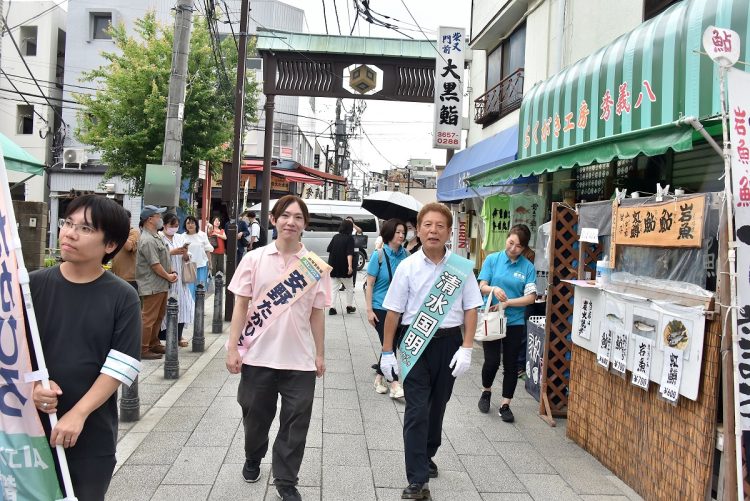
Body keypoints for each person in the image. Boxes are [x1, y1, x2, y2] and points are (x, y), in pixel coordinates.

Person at [31, 194, 142, 500]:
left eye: (86, 228)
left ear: (110, 245)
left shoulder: (122, 296)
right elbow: (13, 351)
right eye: (68, 223)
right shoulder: (31, 287)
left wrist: (78, 414)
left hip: (91, 434)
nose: (69, 232)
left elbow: (121, 365)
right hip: (27, 430)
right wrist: (33, 385)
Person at [225, 195, 331, 501]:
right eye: (285, 216)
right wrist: (233, 348)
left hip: (299, 361)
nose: (291, 222)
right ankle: (253, 454)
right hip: (258, 357)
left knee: (296, 423)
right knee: (255, 416)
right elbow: (241, 305)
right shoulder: (254, 259)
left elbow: (317, 313)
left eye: (298, 217)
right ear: (274, 220)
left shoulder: (314, 268)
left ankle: (286, 479)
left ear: (304, 225)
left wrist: (320, 354)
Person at [379, 203, 482, 500]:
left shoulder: (460, 268)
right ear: (418, 229)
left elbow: (472, 307)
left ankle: (426, 453)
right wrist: (387, 352)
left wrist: (467, 347)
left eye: (440, 226)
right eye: (427, 225)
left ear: (449, 232)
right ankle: (417, 479)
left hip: (449, 343)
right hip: (414, 342)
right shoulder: (406, 267)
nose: (433, 230)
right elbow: (394, 313)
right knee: (416, 409)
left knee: (437, 407)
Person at [476, 224, 537, 422]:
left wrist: (508, 302)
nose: (513, 248)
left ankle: (505, 404)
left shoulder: (528, 267)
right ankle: (486, 392)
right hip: (493, 318)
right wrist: (493, 289)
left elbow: (530, 298)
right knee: (492, 361)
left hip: (515, 321)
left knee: (511, 365)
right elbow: (481, 285)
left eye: (518, 246)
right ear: (507, 239)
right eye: (511, 243)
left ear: (524, 248)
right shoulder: (493, 259)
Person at [365, 218, 408, 399]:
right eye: (398, 232)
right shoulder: (379, 255)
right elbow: (370, 284)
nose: (401, 235)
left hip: (400, 308)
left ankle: (379, 378)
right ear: (389, 233)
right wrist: (369, 310)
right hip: (381, 307)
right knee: (388, 343)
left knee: (390, 343)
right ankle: (395, 384)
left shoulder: (406, 255)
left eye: (403, 232)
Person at [136, 205, 177, 360]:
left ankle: (153, 343)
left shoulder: (156, 236)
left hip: (160, 283)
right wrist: (168, 275)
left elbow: (163, 258)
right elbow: (154, 264)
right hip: (152, 283)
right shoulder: (147, 239)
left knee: (159, 315)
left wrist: (171, 272)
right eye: (158, 216)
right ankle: (142, 348)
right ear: (150, 219)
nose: (161, 218)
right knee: (149, 317)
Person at [158, 213, 193, 348]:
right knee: (166, 308)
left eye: (176, 226)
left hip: (180, 278)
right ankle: (164, 336)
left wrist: (184, 252)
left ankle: (178, 336)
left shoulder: (179, 237)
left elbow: (187, 258)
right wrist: (171, 252)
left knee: (184, 306)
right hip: (165, 276)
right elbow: (157, 256)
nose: (174, 228)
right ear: (165, 225)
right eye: (171, 226)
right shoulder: (159, 237)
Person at [327, 219, 356, 315]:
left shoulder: (335, 237)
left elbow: (329, 249)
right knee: (349, 288)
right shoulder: (350, 238)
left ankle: (332, 308)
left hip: (334, 267)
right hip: (344, 267)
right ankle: (349, 306)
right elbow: (349, 253)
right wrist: (350, 266)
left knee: (333, 288)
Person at [182, 215, 214, 301]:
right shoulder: (182, 237)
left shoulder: (202, 235)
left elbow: (207, 250)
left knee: (200, 288)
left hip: (201, 266)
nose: (190, 225)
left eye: (192, 223)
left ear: (196, 224)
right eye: (188, 223)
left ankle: (199, 309)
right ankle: (191, 309)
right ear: (185, 225)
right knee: (189, 289)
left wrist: (210, 264)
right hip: (188, 267)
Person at [110, 209, 139, 291]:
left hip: (130, 279)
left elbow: (129, 247)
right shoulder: (115, 233)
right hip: (116, 276)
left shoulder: (134, 232)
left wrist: (121, 231)